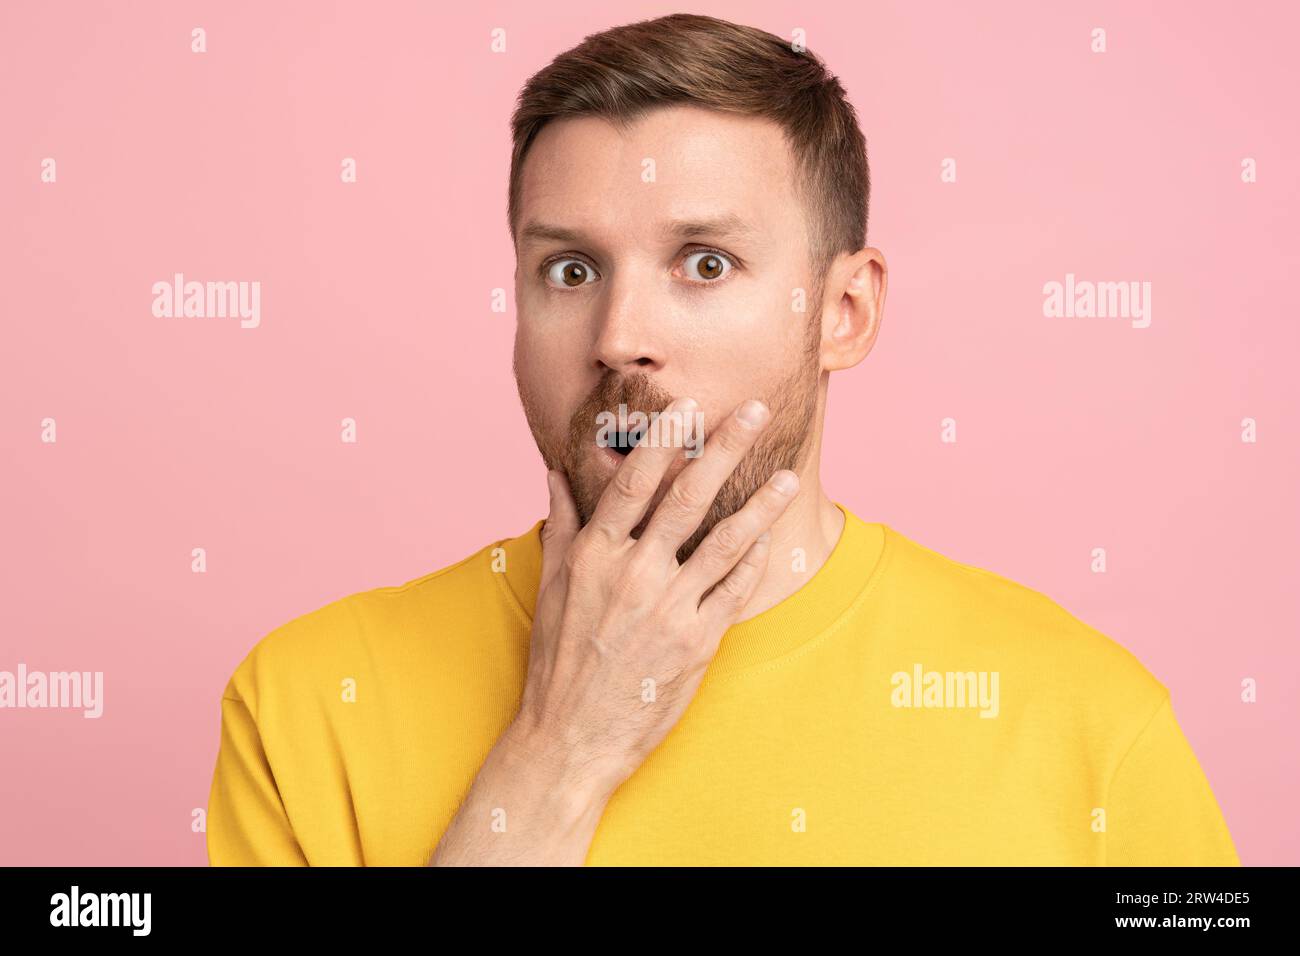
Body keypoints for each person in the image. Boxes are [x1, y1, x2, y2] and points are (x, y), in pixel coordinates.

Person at [206, 13, 1239, 866]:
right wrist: (559, 753)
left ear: (842, 310)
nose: (620, 339)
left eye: (703, 264)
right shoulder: (305, 702)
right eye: (569, 271)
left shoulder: (1089, 719)